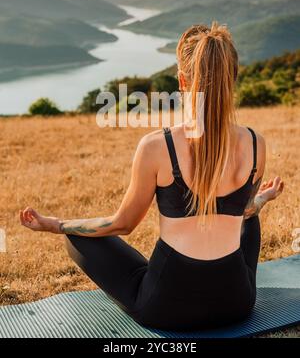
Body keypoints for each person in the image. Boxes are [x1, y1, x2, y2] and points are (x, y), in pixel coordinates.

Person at [20, 22, 284, 331]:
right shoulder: (256, 144)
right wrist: (262, 199)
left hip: (167, 308)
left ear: (183, 81)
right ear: (234, 79)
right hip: (236, 303)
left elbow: (123, 224)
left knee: (77, 239)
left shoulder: (158, 146)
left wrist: (56, 225)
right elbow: (243, 211)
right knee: (249, 218)